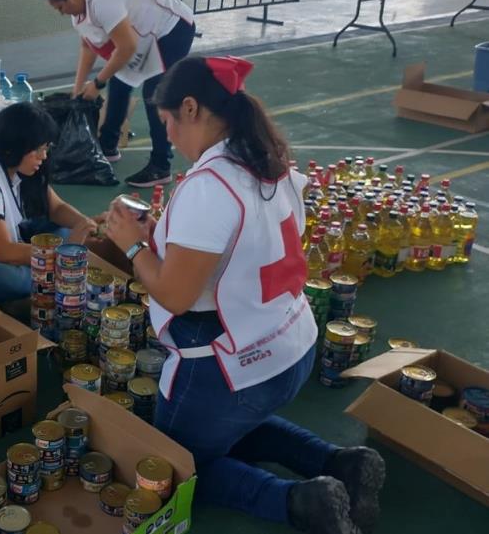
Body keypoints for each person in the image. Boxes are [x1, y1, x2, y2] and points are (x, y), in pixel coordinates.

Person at [105, 56, 385, 534]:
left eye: (168, 120)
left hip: (229, 367)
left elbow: (173, 295)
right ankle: (342, 463)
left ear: (190, 108)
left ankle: (299, 501)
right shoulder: (267, 163)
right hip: (290, 347)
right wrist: (162, 238)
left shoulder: (209, 186)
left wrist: (130, 244)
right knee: (234, 424)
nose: (167, 135)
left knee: (173, 464)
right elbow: (232, 251)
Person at [42, 0, 196, 188]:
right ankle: (108, 145)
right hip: (143, 34)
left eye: (60, 7)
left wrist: (97, 83)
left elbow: (127, 47)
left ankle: (161, 166)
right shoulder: (80, 8)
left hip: (172, 29)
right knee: (121, 82)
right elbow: (88, 46)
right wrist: (77, 91)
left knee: (154, 94)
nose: (61, 13)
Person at [0, 102, 97, 305]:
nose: (44, 156)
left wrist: (85, 224)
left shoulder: (16, 162)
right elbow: (2, 251)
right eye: (38, 149)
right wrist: (63, 252)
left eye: (46, 148)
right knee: (12, 280)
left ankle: (45, 270)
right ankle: (46, 273)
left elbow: (55, 208)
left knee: (65, 231)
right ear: (16, 147)